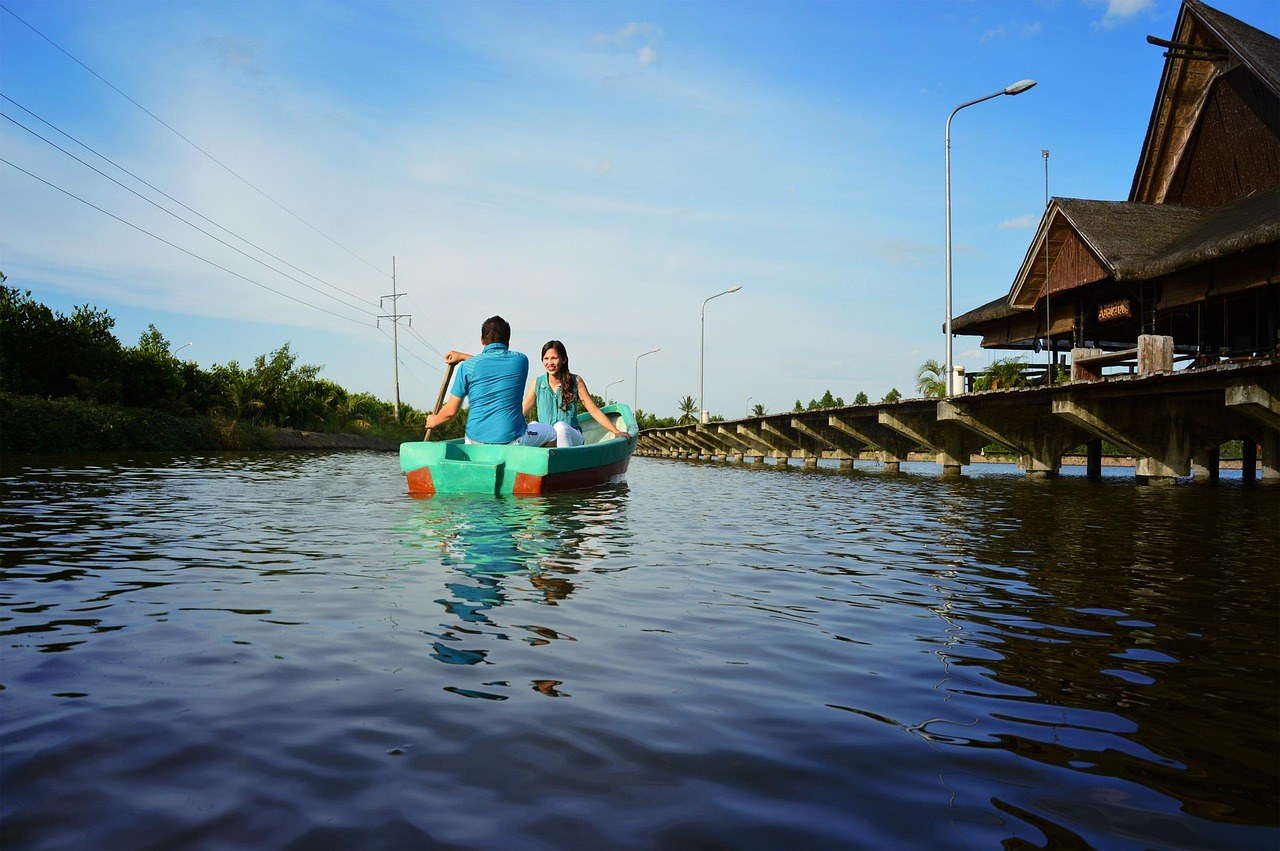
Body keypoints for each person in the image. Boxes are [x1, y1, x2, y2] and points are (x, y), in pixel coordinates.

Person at [425, 316, 544, 446]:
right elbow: (493, 364)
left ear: (482, 340)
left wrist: (434, 420)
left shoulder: (467, 367)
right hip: (511, 439)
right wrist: (462, 357)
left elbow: (451, 411)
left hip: (474, 440)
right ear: (508, 340)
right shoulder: (521, 360)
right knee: (551, 434)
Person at [522, 340, 630, 447]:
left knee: (560, 428)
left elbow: (594, 411)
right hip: (549, 437)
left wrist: (616, 431)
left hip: (572, 435)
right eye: (546, 358)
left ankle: (567, 462)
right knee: (533, 426)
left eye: (554, 358)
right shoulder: (537, 383)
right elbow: (520, 413)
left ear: (563, 359)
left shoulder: (576, 381)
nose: (550, 363)